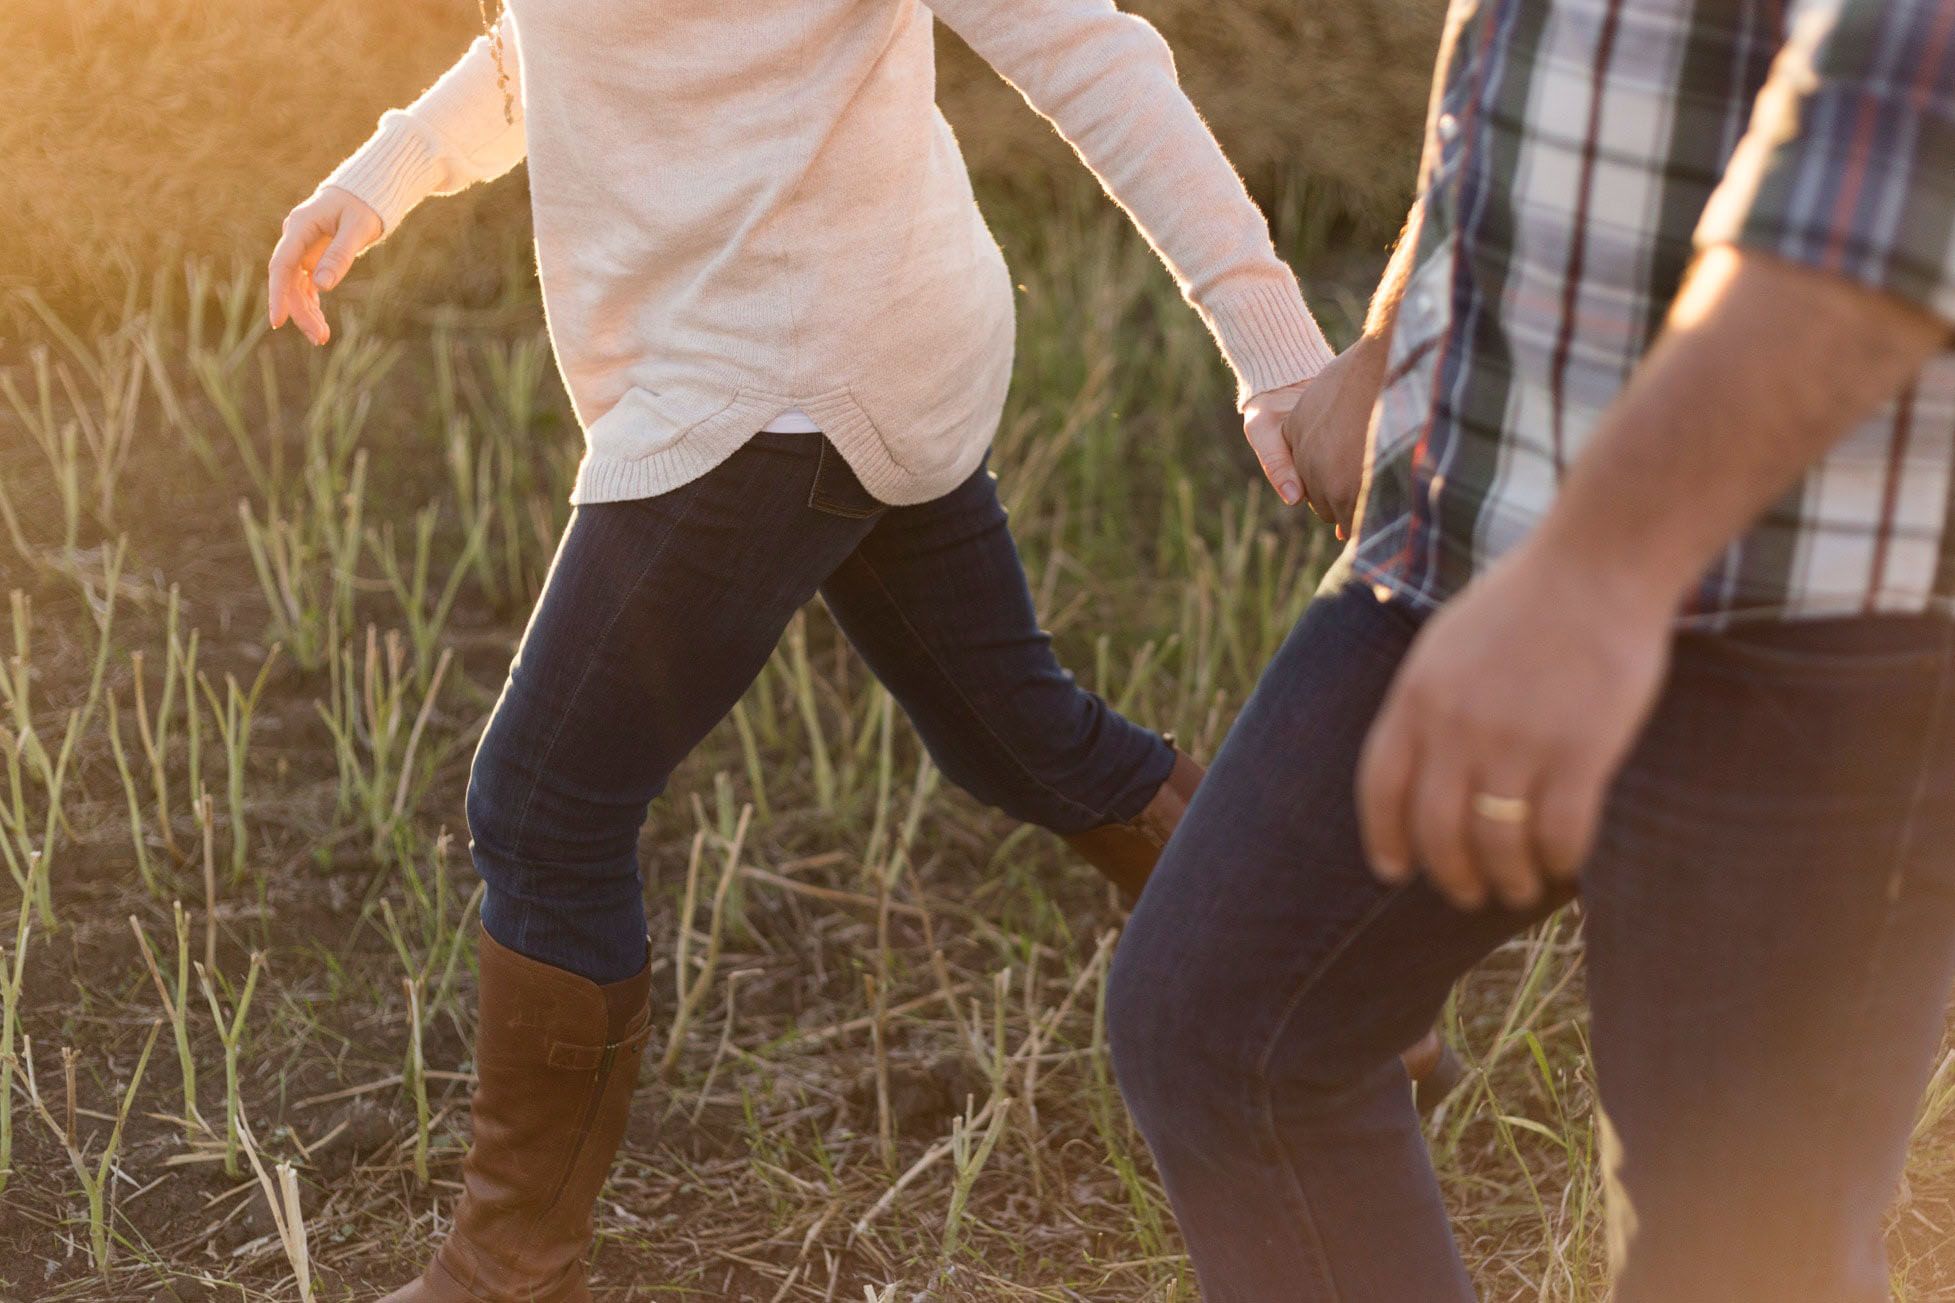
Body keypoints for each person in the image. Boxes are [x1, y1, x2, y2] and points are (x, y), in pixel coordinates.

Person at [268, 3, 1453, 1298]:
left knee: (544, 805)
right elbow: (557, 42)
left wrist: (1280, 354)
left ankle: (508, 1270)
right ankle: (1348, 1005)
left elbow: (1089, 50)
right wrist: (381, 178)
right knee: (1018, 737)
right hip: (860, 329)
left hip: (780, 375)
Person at [1109, 0, 1955, 1296]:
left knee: (1735, 1253)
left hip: (1828, 596)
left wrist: (1601, 574)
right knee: (1228, 1027)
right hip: (1486, 510)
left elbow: (1904, 146)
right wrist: (1399, 327)